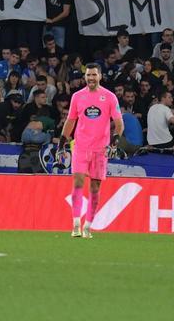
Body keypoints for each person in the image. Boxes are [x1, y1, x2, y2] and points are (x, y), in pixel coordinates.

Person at [63, 63, 123, 238]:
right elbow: (70, 120)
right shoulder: (77, 96)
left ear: (100, 76)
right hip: (81, 146)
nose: (91, 78)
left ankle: (88, 225)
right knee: (78, 181)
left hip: (100, 149)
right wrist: (62, 141)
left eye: (94, 75)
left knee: (95, 187)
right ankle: (75, 224)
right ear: (85, 77)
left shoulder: (110, 97)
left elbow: (119, 123)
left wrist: (115, 142)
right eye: (88, 75)